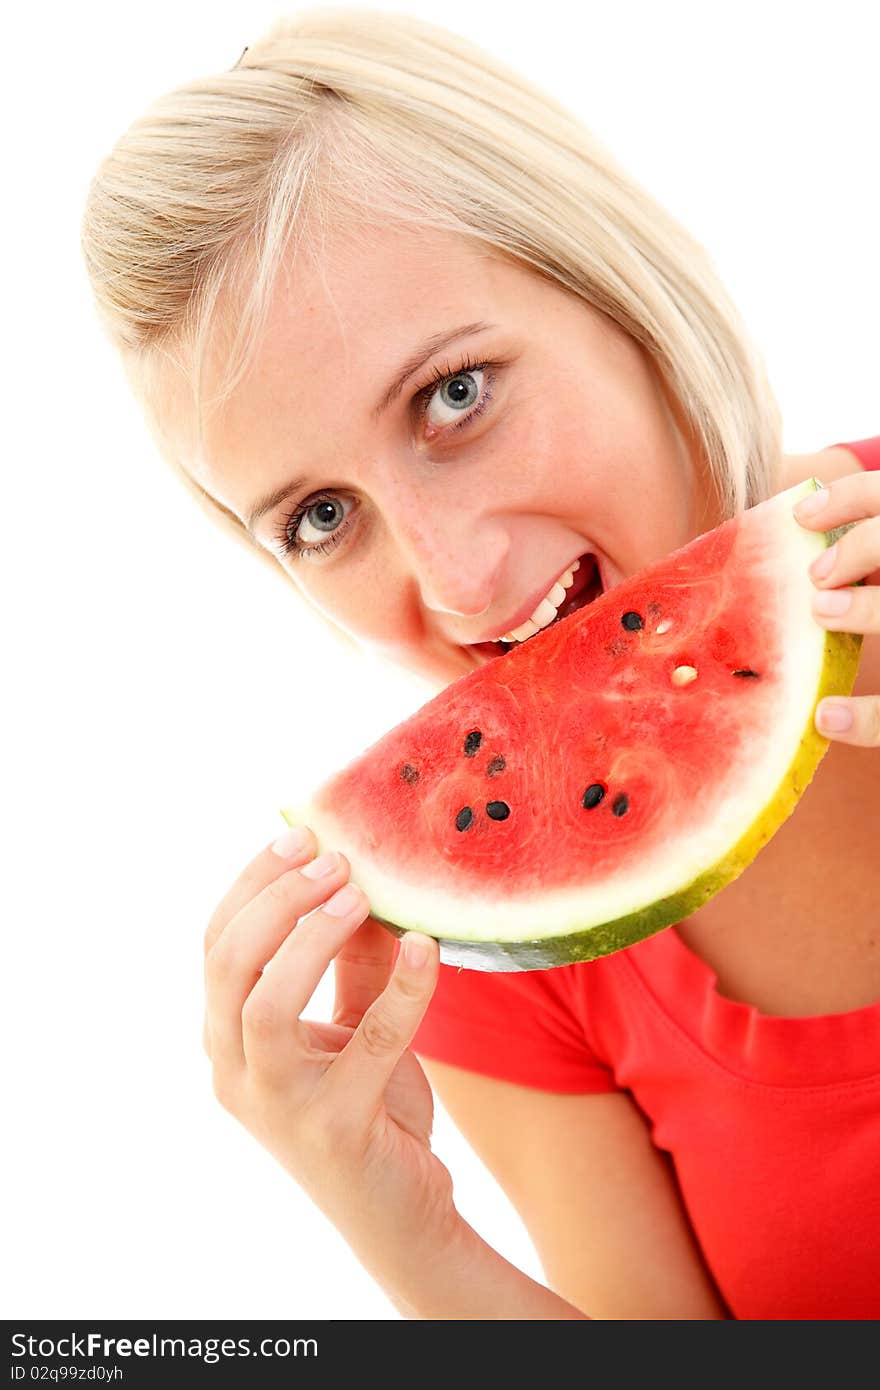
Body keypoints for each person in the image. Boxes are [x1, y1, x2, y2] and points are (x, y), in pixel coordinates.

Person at [80, 8, 879, 1319]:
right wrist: (408, 1230)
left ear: (610, 284)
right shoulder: (475, 964)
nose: (456, 580)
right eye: (319, 518)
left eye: (455, 396)